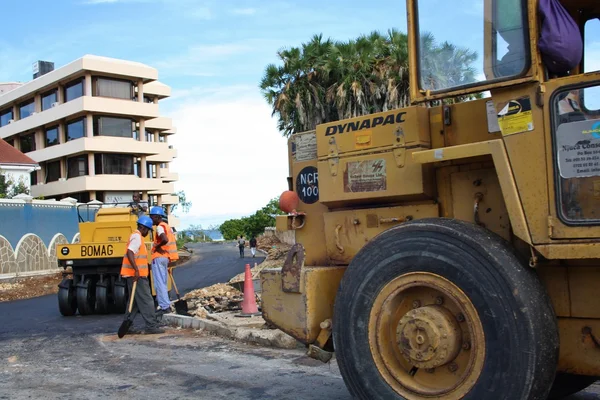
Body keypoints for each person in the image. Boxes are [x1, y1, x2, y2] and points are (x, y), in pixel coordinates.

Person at [119, 216, 164, 335]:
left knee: (133, 303)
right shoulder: (137, 237)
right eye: (148, 230)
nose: (148, 232)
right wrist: (136, 270)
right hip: (137, 276)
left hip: (134, 275)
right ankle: (151, 325)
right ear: (143, 228)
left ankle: (127, 325)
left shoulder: (136, 237)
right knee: (146, 300)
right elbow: (130, 252)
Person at [149, 206, 177, 316]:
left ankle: (164, 306)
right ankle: (166, 305)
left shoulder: (160, 227)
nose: (151, 219)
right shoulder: (166, 226)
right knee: (163, 282)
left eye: (152, 217)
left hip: (159, 257)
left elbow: (164, 239)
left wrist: (157, 246)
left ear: (157, 217)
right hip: (165, 257)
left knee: (159, 283)